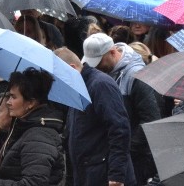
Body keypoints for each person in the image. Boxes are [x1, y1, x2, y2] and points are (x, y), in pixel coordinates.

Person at [82, 32, 161, 185]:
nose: (95, 67)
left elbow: (151, 120)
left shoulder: (137, 76)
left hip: (135, 158)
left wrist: (125, 148)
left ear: (112, 52)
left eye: (98, 61)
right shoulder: (105, 73)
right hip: (114, 156)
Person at [55, 47, 135, 186]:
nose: (57, 84)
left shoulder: (100, 85)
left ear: (72, 68)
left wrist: (116, 175)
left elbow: (119, 130)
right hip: (89, 174)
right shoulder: (79, 88)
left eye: (57, 78)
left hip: (105, 176)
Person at [0, 68, 65, 186]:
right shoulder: (22, 126)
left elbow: (34, 182)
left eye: (13, 97)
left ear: (31, 103)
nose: (8, 102)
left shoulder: (39, 137)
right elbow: (5, 171)